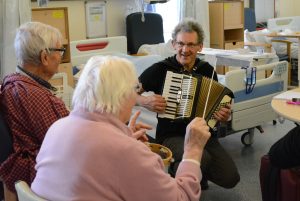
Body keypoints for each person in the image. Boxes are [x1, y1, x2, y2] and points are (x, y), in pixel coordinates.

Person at [31, 55, 211, 201]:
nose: (135, 98)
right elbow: (182, 198)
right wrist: (193, 151)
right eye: (134, 90)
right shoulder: (125, 151)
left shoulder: (57, 127)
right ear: (121, 95)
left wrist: (122, 137)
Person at [136, 18, 240, 189]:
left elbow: (215, 110)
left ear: (200, 47)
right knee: (202, 158)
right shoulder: (160, 69)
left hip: (202, 133)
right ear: (173, 44)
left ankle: (196, 174)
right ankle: (176, 179)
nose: (185, 50)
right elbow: (126, 95)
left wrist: (224, 116)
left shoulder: (207, 70)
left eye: (191, 45)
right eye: (181, 43)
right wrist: (144, 101)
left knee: (230, 178)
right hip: (172, 135)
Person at [0, 22, 69, 200]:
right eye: (60, 51)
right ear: (44, 57)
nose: (61, 57)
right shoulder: (36, 97)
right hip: (45, 175)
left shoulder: (11, 83)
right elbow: (69, 145)